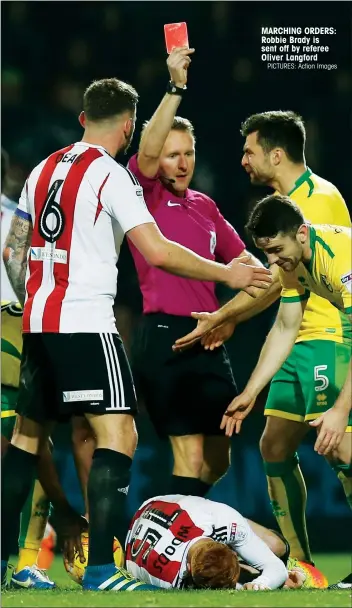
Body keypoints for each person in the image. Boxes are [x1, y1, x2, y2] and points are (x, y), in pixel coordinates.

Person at [1, 77, 271, 593]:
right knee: (118, 436)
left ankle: (3, 564)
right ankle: (103, 569)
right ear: (128, 128)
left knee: (25, 438)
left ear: (84, 119)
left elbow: (15, 249)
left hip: (38, 321)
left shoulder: (41, 169)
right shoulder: (109, 175)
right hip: (85, 322)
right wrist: (228, 276)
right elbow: (159, 251)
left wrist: (34, 297)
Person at [173, 111, 352, 588]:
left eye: (249, 150)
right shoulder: (280, 209)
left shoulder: (318, 203)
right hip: (298, 338)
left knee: (340, 445)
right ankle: (304, 565)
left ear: (276, 153)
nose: (242, 160)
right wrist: (252, 389)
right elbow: (285, 303)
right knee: (273, 446)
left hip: (328, 338)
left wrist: (223, 315)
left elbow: (274, 283)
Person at [124, 47, 269, 499]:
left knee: (219, 456)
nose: (181, 163)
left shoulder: (205, 206)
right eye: (172, 154)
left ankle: (168, 524)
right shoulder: (141, 194)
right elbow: (146, 153)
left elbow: (254, 269)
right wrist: (176, 86)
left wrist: (227, 317)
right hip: (166, 336)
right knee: (187, 457)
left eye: (188, 153)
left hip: (209, 340)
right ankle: (176, 550)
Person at [1, 151, 85, 590]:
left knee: (27, 442)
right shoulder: (19, 214)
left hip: (15, 333)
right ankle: (25, 560)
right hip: (20, 331)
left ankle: (20, 561)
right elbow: (22, 264)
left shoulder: (17, 215)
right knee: (30, 442)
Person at [125, 493, 321, 590]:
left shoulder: (221, 519)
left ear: (231, 548)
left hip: (161, 503)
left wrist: (264, 581)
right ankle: (258, 572)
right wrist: (264, 585)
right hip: (145, 521)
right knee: (250, 574)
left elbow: (274, 567)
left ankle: (290, 564)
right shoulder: (169, 579)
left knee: (275, 546)